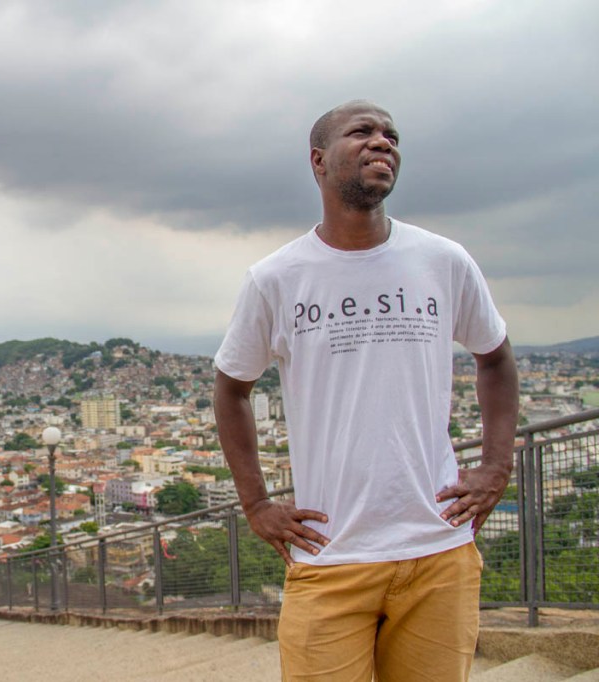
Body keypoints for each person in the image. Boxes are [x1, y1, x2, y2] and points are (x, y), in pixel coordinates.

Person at [213, 100, 519, 681]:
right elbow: (231, 388)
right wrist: (255, 504)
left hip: (438, 549)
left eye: (392, 136)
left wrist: (496, 467)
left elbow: (496, 358)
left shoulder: (443, 260)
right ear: (318, 161)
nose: (384, 143)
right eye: (363, 133)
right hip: (331, 556)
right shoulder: (276, 278)